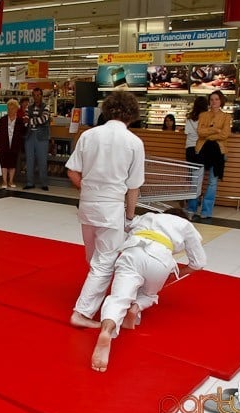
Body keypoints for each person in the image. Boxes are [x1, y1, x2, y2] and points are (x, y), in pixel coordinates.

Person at [91, 208, 207, 371]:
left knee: (117, 298)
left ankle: (106, 331)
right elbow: (199, 263)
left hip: (132, 252)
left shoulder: (149, 216)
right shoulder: (186, 225)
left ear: (164, 213)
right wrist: (176, 274)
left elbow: (126, 225)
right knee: (148, 293)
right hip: (160, 259)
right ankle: (136, 307)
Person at [66, 90, 145, 328]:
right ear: (132, 115)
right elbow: (133, 187)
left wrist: (88, 189)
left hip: (88, 204)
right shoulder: (134, 142)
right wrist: (130, 217)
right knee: (104, 261)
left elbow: (72, 170)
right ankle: (82, 312)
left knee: (93, 257)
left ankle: (93, 293)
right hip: (111, 207)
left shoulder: (88, 136)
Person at [187, 90, 231, 220]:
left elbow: (225, 135)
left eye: (216, 99)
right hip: (202, 149)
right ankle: (192, 208)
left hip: (218, 151)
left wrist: (209, 133)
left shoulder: (226, 117)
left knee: (213, 182)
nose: (214, 102)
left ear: (221, 101)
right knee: (196, 179)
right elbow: (200, 132)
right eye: (211, 99)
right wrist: (216, 130)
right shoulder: (203, 115)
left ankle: (206, 211)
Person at [0, 98, 26, 189]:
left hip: (15, 145)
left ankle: (11, 181)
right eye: (9, 108)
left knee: (12, 164)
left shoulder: (19, 121)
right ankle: (4, 181)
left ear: (16, 109)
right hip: (3, 145)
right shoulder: (3, 119)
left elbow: (24, 132)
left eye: (12, 108)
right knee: (4, 164)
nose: (10, 110)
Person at [23, 87, 51, 191]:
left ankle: (44, 183)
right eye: (34, 95)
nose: (36, 97)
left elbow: (43, 119)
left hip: (42, 137)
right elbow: (25, 122)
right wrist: (33, 121)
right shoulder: (28, 107)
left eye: (38, 95)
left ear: (42, 96)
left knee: (42, 161)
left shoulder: (46, 107)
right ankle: (30, 182)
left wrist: (30, 120)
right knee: (29, 161)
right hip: (29, 136)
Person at [184, 96, 208, 163]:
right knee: (199, 171)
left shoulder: (189, 117)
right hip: (202, 147)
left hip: (190, 147)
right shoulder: (207, 118)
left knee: (191, 171)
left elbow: (186, 132)